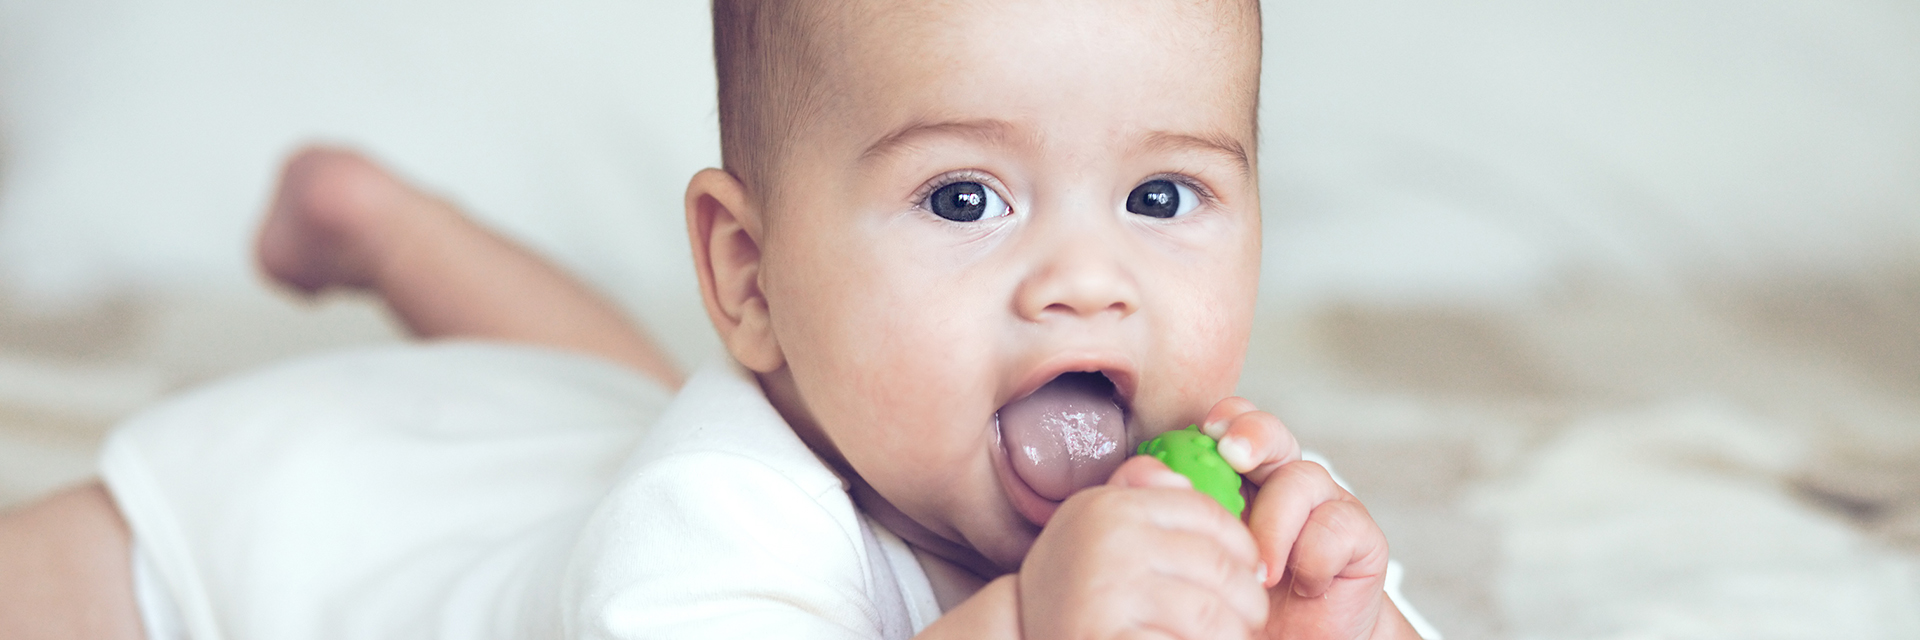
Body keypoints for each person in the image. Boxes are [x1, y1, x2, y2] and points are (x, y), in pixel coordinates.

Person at [0, 0, 1440, 638]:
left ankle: (386, 227)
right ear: (748, 270)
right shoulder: (708, 512)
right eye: (962, 200)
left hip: (564, 451)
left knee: (607, 402)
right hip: (252, 535)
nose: (1088, 282)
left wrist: (1332, 619)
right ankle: (389, 224)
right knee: (659, 438)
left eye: (1166, 197)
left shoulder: (1214, 487)